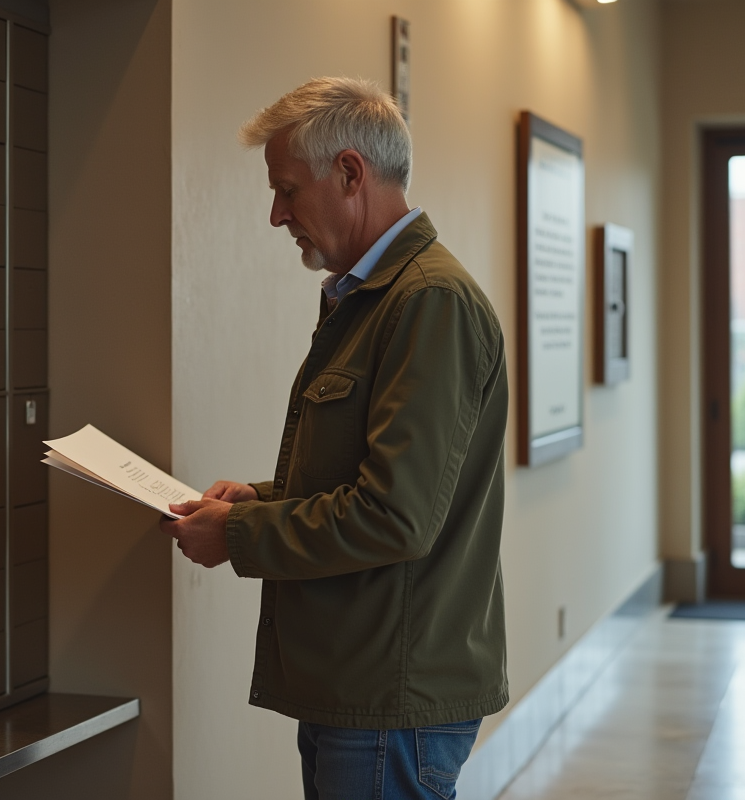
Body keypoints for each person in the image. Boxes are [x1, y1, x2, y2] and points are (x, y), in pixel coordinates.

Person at [159, 77, 508, 800]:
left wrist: (242, 534)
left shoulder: (427, 303)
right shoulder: (370, 297)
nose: (275, 214)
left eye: (287, 190)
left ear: (350, 173)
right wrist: (252, 498)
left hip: (389, 695)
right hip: (360, 681)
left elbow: (395, 515)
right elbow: (362, 476)